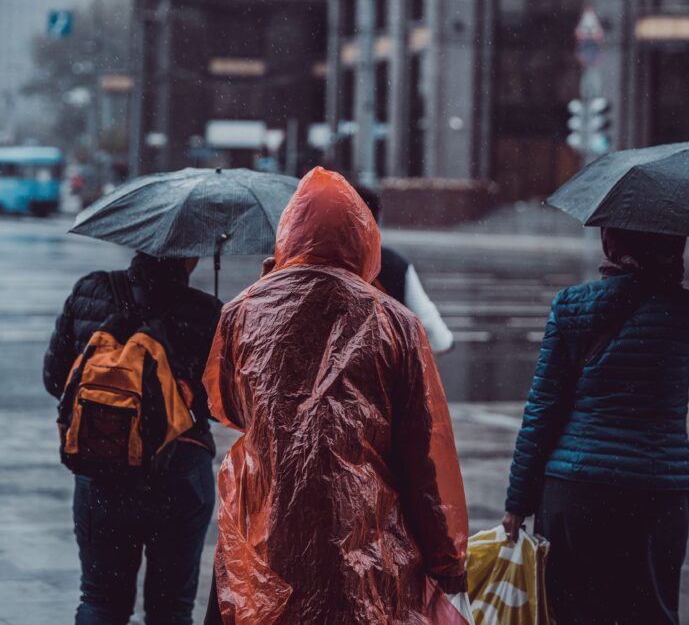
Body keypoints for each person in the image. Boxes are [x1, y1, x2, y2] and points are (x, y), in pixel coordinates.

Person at [203, 167, 468, 624]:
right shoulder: (395, 323)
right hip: (362, 533)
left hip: (268, 526)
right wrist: (446, 559)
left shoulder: (243, 312)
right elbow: (422, 453)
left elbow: (228, 405)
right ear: (363, 236)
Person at [501, 229, 689, 625]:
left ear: (611, 244)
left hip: (575, 491)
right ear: (675, 248)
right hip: (655, 497)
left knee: (572, 614)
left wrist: (518, 501)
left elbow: (543, 409)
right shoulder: (688, 310)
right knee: (649, 614)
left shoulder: (571, 305)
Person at [43, 252, 223, 625]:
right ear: (188, 254)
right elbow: (226, 404)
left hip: (103, 469)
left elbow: (57, 379)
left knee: (99, 601)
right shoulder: (206, 311)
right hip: (181, 472)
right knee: (171, 609)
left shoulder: (91, 290)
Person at [354, 184, 454, 354]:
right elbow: (431, 329)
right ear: (375, 221)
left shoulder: (311, 265)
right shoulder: (393, 265)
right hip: (379, 372)